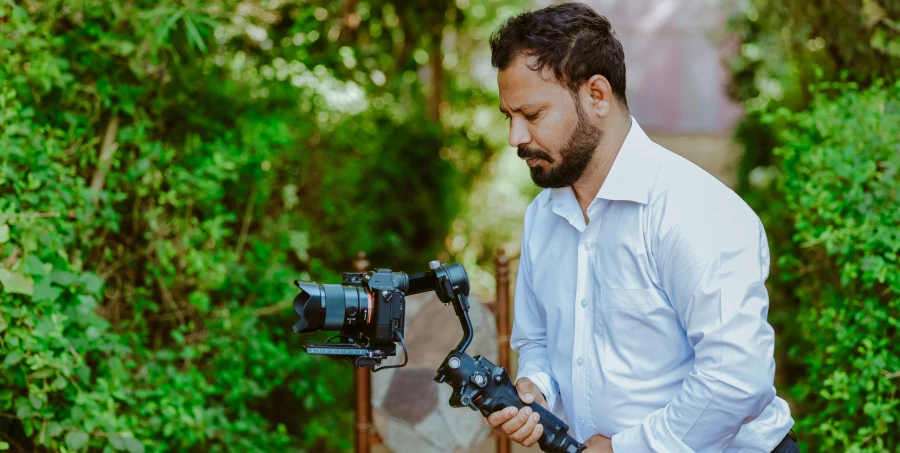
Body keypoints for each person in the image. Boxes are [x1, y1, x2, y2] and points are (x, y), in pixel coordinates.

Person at [485, 3, 798, 452]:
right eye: (507, 117)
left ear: (597, 95)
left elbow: (736, 378)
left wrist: (626, 448)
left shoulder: (695, 211)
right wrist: (536, 388)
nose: (515, 137)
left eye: (532, 115)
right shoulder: (543, 215)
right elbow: (537, 340)